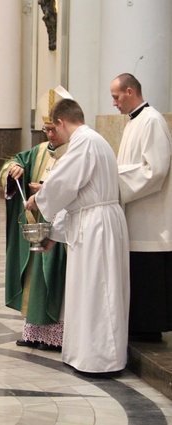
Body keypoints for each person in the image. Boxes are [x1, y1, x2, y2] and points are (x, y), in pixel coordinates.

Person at [25, 98, 130, 374]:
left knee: (98, 291)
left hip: (96, 226)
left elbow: (64, 183)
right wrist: (54, 234)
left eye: (53, 128)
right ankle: (88, 355)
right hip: (96, 221)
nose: (53, 136)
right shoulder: (96, 140)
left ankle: (100, 359)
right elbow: (76, 197)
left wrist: (39, 199)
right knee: (91, 291)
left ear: (61, 121)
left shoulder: (84, 141)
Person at [110, 73, 172, 342]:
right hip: (134, 211)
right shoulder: (133, 123)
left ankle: (149, 328)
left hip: (149, 216)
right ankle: (137, 325)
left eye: (116, 96)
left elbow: (155, 170)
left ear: (130, 91)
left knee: (149, 273)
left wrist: (116, 181)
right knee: (137, 270)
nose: (114, 103)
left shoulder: (152, 121)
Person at [0, 114, 67, 351]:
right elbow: (14, 162)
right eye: (46, 129)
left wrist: (47, 190)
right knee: (34, 277)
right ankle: (34, 333)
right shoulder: (38, 151)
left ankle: (55, 336)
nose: (50, 135)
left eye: (54, 129)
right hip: (38, 226)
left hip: (61, 227)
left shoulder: (75, 152)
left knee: (55, 278)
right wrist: (14, 169)